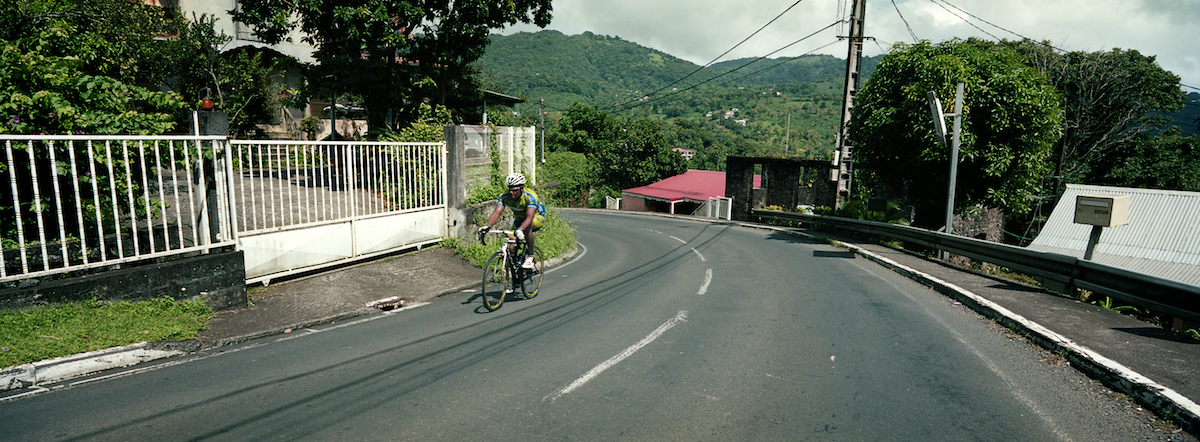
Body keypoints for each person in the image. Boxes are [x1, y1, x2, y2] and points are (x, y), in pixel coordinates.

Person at [477, 172, 545, 269]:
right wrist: (488, 226)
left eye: (514, 190)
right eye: (510, 190)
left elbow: (530, 217)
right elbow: (496, 213)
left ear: (521, 189)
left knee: (527, 228)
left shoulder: (530, 197)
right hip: (519, 220)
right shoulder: (505, 197)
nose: (511, 193)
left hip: (536, 217)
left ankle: (531, 257)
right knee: (512, 246)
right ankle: (516, 270)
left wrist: (521, 229)